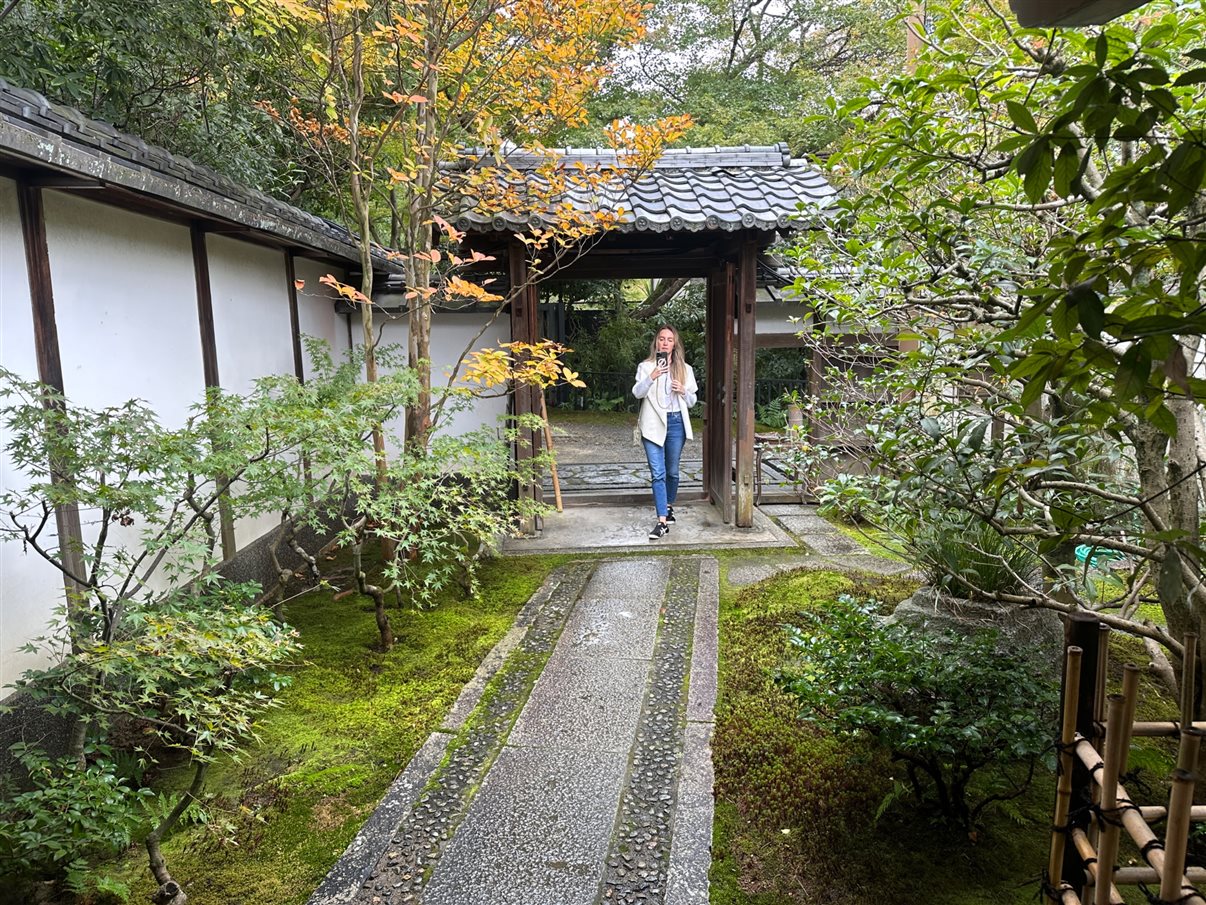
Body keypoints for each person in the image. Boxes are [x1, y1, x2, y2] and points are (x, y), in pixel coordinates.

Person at [632, 325, 698, 540]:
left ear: (675, 343)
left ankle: (668, 505)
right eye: (662, 339)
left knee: (672, 472)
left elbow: (692, 401)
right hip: (652, 424)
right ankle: (662, 521)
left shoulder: (685, 369)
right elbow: (637, 393)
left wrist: (683, 390)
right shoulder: (646, 367)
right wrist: (652, 376)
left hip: (676, 422)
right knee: (658, 473)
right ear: (656, 342)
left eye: (670, 339)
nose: (665, 343)